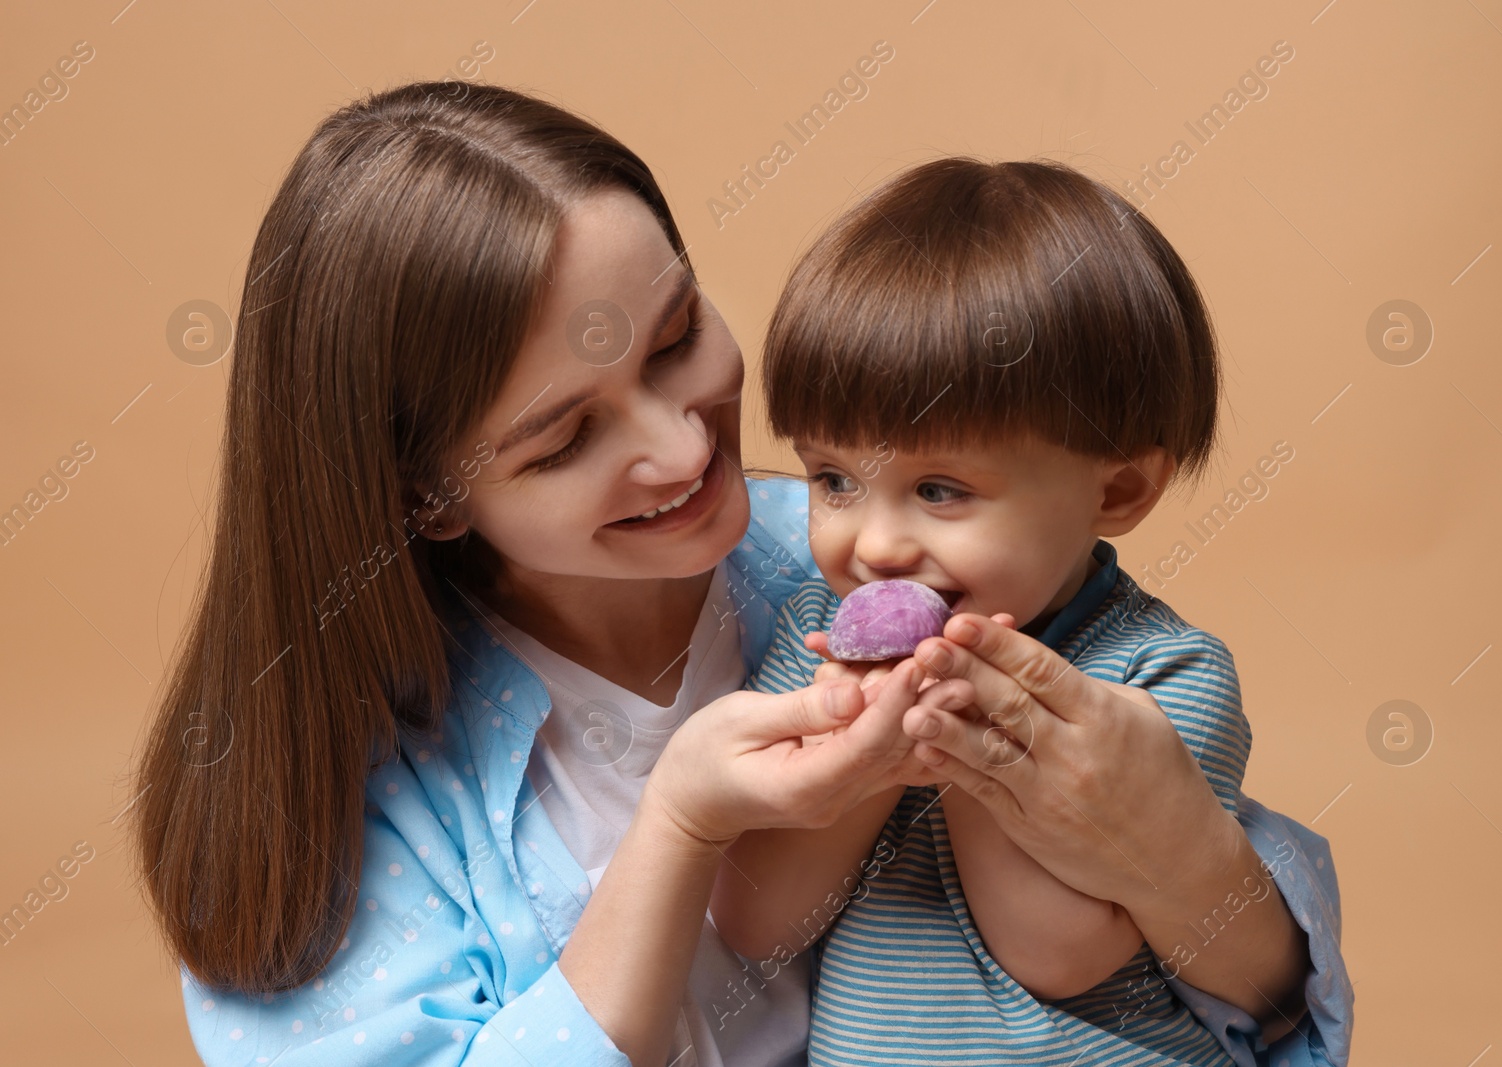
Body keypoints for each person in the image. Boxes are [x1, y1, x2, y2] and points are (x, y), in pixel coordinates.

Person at [131, 82, 1351, 1067]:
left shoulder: (849, 566)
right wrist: (681, 819)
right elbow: (758, 912)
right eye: (564, 438)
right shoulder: (334, 777)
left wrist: (1188, 867)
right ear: (426, 497)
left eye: (673, 339)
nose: (680, 447)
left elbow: (1263, 1000)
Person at [711, 157, 1340, 1065]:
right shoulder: (817, 635)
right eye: (834, 479)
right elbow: (759, 919)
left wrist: (965, 741)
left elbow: (1059, 954)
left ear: (1116, 491)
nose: (875, 545)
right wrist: (866, 746)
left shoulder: (1158, 677)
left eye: (939, 488)